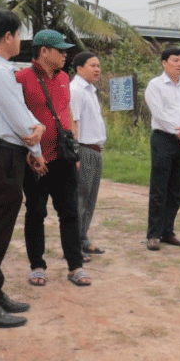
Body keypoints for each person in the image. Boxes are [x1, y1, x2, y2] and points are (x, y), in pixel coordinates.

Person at [0, 9, 46, 328]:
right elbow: (21, 119)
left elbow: (19, 119)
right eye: (17, 34)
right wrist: (37, 140)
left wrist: (32, 140)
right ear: (7, 37)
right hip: (1, 155)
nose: (19, 40)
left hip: (5, 153)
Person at [15, 30, 91, 287]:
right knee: (36, 212)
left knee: (69, 212)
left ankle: (75, 266)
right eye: (60, 50)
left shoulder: (63, 78)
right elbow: (15, 118)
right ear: (44, 51)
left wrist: (74, 149)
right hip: (35, 161)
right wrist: (30, 153)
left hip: (62, 158)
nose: (65, 54)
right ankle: (37, 265)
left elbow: (65, 111)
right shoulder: (21, 79)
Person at [144, 47, 180, 251]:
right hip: (163, 139)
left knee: (176, 188)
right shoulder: (155, 85)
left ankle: (167, 231)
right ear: (164, 63)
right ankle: (153, 234)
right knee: (160, 187)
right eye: (175, 60)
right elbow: (159, 114)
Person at [69, 51, 106, 256]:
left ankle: (83, 238)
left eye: (98, 65)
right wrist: (75, 154)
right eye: (93, 65)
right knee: (80, 199)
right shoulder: (76, 90)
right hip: (83, 150)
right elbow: (72, 123)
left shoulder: (91, 90)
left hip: (96, 151)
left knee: (90, 198)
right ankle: (75, 245)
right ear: (79, 68)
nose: (97, 69)